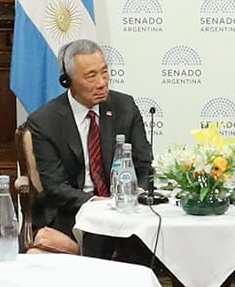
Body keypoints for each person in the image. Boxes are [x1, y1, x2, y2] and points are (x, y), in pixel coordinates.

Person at [22, 39, 159, 246]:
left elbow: (143, 163)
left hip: (125, 209)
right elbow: (55, 186)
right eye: (91, 76)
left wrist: (135, 196)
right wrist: (99, 204)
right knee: (98, 237)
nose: (102, 82)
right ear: (67, 81)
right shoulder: (44, 122)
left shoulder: (125, 107)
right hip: (74, 211)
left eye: (104, 72)